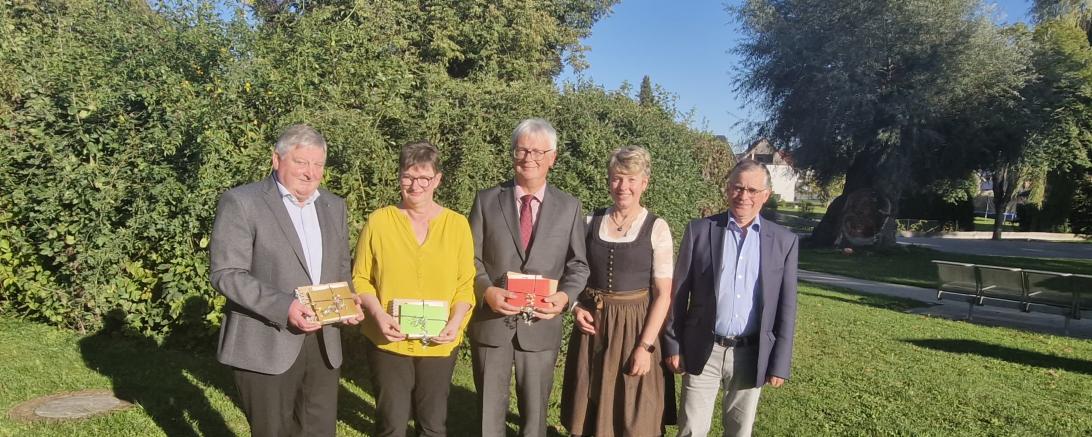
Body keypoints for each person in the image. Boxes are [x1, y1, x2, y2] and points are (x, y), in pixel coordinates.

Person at [210, 124, 361, 437]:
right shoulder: (242, 202)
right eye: (301, 162)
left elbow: (341, 268)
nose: (310, 172)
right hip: (267, 342)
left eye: (318, 164)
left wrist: (348, 301)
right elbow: (226, 273)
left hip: (323, 344)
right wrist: (285, 306)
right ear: (276, 160)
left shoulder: (334, 206)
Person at [468, 118, 590, 437]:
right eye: (522, 150)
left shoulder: (570, 207)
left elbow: (578, 264)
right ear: (512, 154)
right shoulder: (485, 200)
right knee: (487, 417)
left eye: (538, 152)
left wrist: (563, 299)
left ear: (553, 157)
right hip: (492, 321)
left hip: (541, 325)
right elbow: (470, 258)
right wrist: (486, 291)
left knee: (535, 419)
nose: (529, 158)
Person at [662, 159, 799, 437]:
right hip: (703, 348)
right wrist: (673, 344)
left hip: (751, 353)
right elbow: (678, 293)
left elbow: (786, 306)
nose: (743, 196)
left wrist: (780, 362)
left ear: (765, 195)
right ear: (727, 189)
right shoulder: (700, 231)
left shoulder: (784, 241)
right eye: (737, 188)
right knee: (691, 430)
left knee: (739, 431)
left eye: (751, 190)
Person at [351, 141, 476, 437]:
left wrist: (455, 322)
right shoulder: (379, 221)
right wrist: (379, 315)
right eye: (408, 176)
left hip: (439, 340)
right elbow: (360, 278)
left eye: (424, 178)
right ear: (399, 178)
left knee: (432, 423)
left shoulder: (457, 225)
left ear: (437, 180)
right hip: (388, 338)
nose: (415, 185)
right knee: (391, 422)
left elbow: (465, 284)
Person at [561, 146, 675, 436]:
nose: (622, 186)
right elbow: (570, 272)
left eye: (631, 179)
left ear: (644, 184)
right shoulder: (589, 222)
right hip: (594, 327)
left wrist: (645, 347)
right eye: (616, 178)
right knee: (589, 404)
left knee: (635, 413)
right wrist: (574, 307)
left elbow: (663, 294)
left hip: (635, 327)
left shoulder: (656, 228)